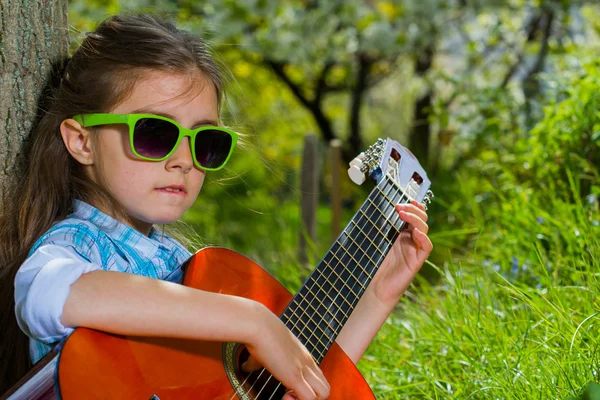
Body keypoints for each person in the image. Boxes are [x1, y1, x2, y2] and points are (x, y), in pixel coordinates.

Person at [0, 14, 432, 399]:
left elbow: (286, 382)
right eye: (154, 133)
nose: (183, 160)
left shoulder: (188, 269)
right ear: (82, 141)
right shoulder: (76, 246)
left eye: (206, 141)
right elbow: (50, 294)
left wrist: (378, 294)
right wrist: (250, 319)